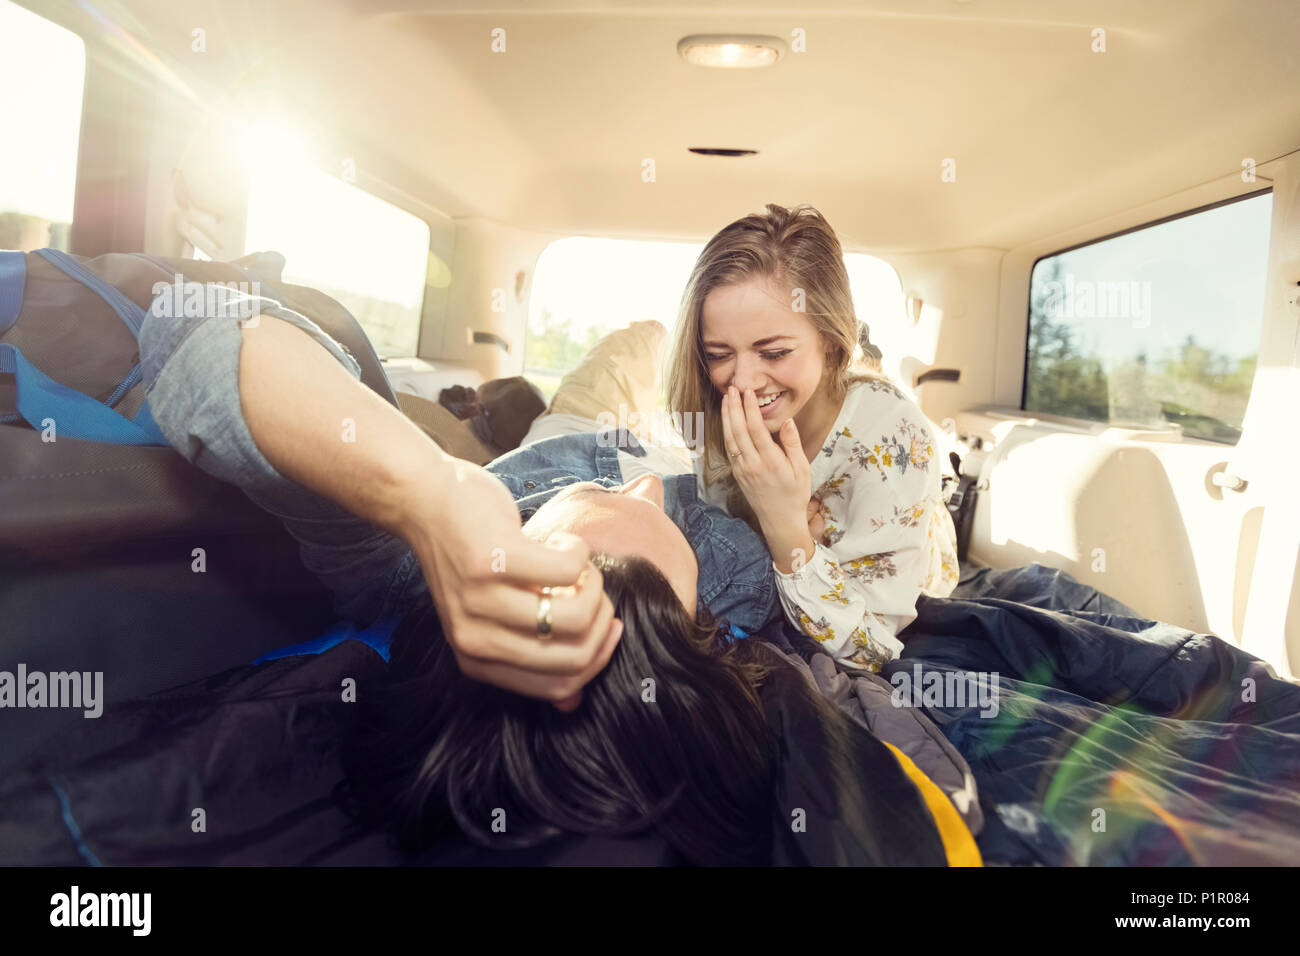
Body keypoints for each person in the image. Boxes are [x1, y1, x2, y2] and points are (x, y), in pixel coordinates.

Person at [136, 286, 960, 865]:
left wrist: (429, 494)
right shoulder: (741, 593)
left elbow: (193, 325)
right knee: (729, 373)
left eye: (610, 501)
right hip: (718, 460)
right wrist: (786, 524)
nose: (645, 484)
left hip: (572, 429)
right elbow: (874, 601)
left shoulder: (421, 560)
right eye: (659, 519)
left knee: (638, 341)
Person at [665, 203, 961, 672]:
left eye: (775, 351)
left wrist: (786, 529)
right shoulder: (716, 406)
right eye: (719, 354)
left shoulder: (891, 437)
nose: (742, 381)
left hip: (915, 546)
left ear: (830, 337)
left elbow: (871, 649)